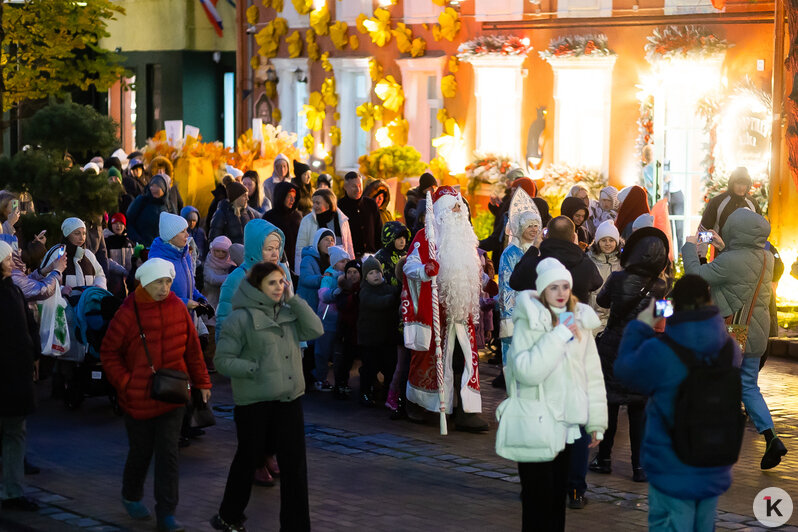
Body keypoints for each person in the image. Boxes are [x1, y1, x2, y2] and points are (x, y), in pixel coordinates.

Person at [614, 275, 740, 531]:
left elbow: (625, 370)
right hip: (714, 458)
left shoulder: (662, 352)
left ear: (673, 305)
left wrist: (642, 325)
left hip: (672, 461)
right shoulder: (729, 348)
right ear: (708, 300)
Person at [211, 262, 323, 532]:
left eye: (281, 282)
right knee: (248, 460)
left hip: (289, 401)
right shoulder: (240, 318)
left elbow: (315, 330)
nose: (278, 287)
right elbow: (223, 360)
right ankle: (229, 516)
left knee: (295, 468)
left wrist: (294, 299)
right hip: (255, 403)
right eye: (271, 282)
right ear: (257, 286)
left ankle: (296, 527)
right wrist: (251, 368)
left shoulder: (288, 312)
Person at [101, 258, 211, 532]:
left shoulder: (177, 307)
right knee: (141, 452)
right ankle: (131, 493)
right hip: (137, 399)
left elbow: (193, 350)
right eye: (158, 282)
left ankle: (167, 513)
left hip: (172, 396)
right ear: (144, 283)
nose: (164, 288)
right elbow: (109, 353)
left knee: (168, 455)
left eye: (167, 282)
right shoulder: (128, 313)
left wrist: (202, 382)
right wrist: (126, 382)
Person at [500, 257, 607, 532]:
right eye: (553, 288)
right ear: (542, 291)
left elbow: (592, 375)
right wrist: (558, 335)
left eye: (565, 287)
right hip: (535, 424)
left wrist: (596, 422)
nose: (560, 293)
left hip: (566, 427)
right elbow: (526, 371)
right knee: (537, 502)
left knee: (556, 503)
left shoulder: (580, 321)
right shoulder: (529, 321)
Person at [682, 208, 786, 469]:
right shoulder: (765, 258)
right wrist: (724, 247)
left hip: (732, 332)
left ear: (734, 230)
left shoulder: (730, 262)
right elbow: (740, 269)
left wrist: (689, 246)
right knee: (749, 386)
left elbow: (697, 276)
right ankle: (771, 437)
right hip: (756, 331)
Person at [401, 186, 488, 432]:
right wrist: (425, 271)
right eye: (454, 206)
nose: (460, 210)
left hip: (461, 316)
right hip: (436, 313)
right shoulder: (425, 237)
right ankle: (426, 407)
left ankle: (466, 411)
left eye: (461, 205)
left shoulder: (466, 238)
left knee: (464, 362)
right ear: (440, 212)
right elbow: (410, 267)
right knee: (432, 361)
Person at [590, 226, 670, 482]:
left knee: (610, 405)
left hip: (613, 346)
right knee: (639, 409)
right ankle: (639, 467)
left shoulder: (617, 278)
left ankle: (604, 459)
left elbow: (602, 302)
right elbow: (663, 318)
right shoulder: (661, 286)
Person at [0, 240, 42, 512]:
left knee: (15, 432)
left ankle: (13, 490)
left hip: (16, 375)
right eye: (7, 258)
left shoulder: (13, 290)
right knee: (13, 433)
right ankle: (11, 491)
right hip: (10, 376)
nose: (12, 261)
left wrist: (34, 357)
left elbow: (28, 328)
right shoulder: (11, 292)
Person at [509, 216, 602, 304]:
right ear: (573, 237)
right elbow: (597, 282)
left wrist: (534, 248)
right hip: (572, 319)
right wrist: (577, 249)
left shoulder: (534, 264)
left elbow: (515, 282)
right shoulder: (585, 265)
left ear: (546, 236)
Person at [499, 210, 542, 366]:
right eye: (529, 226)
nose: (534, 230)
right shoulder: (510, 253)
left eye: (536, 226)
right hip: (515, 312)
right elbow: (506, 286)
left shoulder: (538, 252)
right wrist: (509, 316)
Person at [357, 256, 400, 406]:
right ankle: (365, 393)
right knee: (369, 368)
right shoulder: (365, 292)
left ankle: (387, 393)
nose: (375, 275)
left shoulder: (389, 288)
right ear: (365, 277)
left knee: (390, 367)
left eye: (377, 272)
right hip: (370, 339)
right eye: (371, 273)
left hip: (387, 338)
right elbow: (377, 302)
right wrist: (393, 298)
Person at [148, 213, 207, 311]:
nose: (187, 235)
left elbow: (190, 285)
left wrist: (200, 298)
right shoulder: (158, 261)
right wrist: (184, 303)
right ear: (171, 236)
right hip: (168, 320)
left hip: (186, 317)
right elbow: (156, 296)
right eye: (183, 231)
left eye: (186, 230)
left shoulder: (184, 255)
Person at [314, 245, 351, 390]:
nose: (345, 263)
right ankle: (320, 379)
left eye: (347, 260)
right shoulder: (328, 276)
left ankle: (340, 382)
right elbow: (322, 295)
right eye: (342, 261)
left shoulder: (347, 275)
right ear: (334, 262)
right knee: (322, 351)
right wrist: (336, 292)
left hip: (340, 321)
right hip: (327, 319)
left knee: (338, 353)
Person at [295, 189, 353, 268]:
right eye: (313, 203)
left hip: (340, 267)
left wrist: (351, 266)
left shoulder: (342, 220)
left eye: (318, 203)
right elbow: (300, 249)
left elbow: (349, 246)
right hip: (315, 267)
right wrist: (300, 272)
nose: (314, 206)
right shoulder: (307, 220)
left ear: (328, 204)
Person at [699, 167, 762, 235]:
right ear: (732, 183)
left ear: (748, 186)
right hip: (722, 245)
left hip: (748, 245)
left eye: (744, 184)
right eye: (738, 183)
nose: (741, 187)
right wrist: (715, 243)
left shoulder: (753, 203)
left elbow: (760, 230)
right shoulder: (717, 202)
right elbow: (703, 231)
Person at [586, 220, 622, 332]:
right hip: (593, 317)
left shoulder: (622, 263)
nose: (607, 244)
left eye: (611, 240)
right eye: (603, 240)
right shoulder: (588, 261)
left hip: (614, 319)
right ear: (597, 242)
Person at [333, 259, 361, 399]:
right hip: (347, 331)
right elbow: (343, 306)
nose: (352, 275)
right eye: (349, 272)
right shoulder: (343, 290)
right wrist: (351, 295)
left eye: (355, 272)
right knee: (345, 361)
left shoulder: (363, 289)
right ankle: (341, 384)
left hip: (361, 331)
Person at [337, 172, 382, 257]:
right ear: (345, 187)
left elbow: (378, 230)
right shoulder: (339, 206)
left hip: (372, 255)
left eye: (360, 185)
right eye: (354, 186)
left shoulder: (371, 204)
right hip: (350, 257)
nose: (358, 189)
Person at [297, 229, 335, 322]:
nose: (330, 242)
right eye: (326, 239)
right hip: (308, 303)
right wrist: (322, 278)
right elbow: (305, 279)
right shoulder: (308, 259)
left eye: (332, 240)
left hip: (323, 306)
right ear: (318, 243)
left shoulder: (333, 261)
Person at [263, 181, 301, 273]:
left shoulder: (297, 216)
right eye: (289, 197)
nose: (292, 200)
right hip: (276, 263)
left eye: (294, 197)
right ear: (281, 197)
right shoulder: (269, 217)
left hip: (296, 263)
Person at [61, 217, 107, 293]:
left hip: (88, 303)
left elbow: (100, 274)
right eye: (77, 233)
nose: (82, 238)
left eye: (84, 233)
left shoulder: (89, 255)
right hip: (65, 303)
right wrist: (61, 289)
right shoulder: (58, 253)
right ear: (67, 234)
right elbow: (48, 280)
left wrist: (100, 286)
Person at [126, 174, 170, 247]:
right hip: (141, 247)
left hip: (160, 248)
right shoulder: (141, 201)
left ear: (164, 189)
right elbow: (129, 220)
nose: (153, 188)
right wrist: (138, 240)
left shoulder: (167, 206)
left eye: (157, 186)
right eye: (152, 186)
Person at [203, 236, 235, 329]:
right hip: (211, 292)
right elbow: (211, 278)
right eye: (217, 251)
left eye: (223, 252)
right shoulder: (209, 261)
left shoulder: (230, 262)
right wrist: (230, 278)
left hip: (223, 294)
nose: (220, 254)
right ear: (213, 250)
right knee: (211, 307)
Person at [105, 213, 135, 299]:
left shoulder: (130, 243)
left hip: (128, 280)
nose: (118, 226)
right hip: (112, 280)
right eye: (115, 223)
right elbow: (106, 260)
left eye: (121, 223)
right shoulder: (107, 241)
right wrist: (122, 271)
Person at [373, 221, 411, 289]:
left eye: (404, 238)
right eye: (399, 238)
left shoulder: (406, 254)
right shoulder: (381, 257)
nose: (402, 241)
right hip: (388, 295)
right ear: (390, 238)